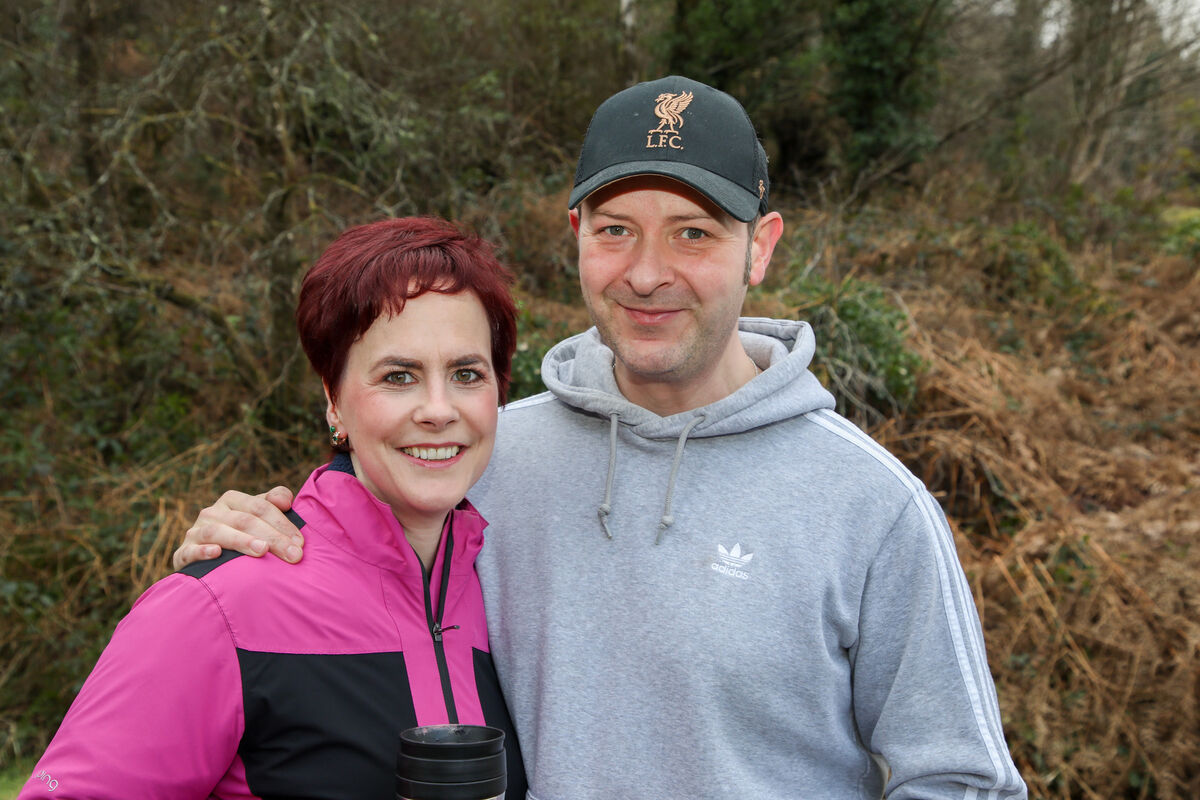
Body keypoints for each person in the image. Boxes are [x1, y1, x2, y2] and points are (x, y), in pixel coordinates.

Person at [174, 77, 1028, 798]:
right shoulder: (480, 456)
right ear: (577, 235)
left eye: (693, 233)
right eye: (617, 229)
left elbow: (963, 778)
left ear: (759, 248)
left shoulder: (873, 508)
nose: (647, 273)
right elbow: (340, 566)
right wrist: (242, 538)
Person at [19, 217, 527, 799]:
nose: (439, 410)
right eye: (399, 376)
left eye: (466, 374)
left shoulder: (511, 594)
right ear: (333, 400)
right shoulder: (215, 608)